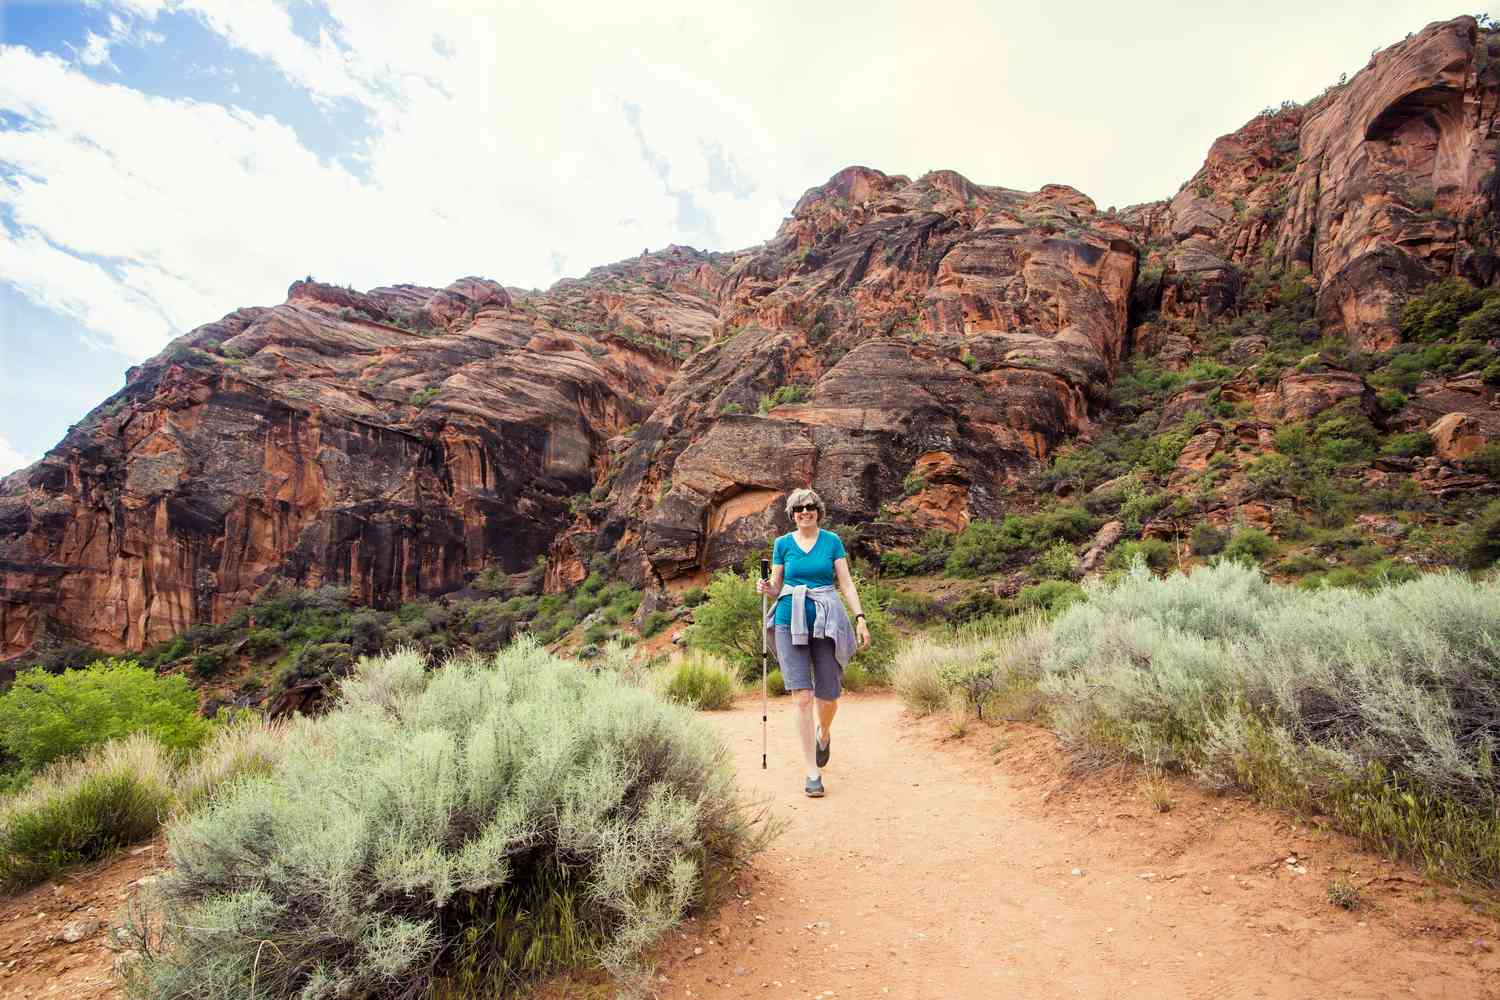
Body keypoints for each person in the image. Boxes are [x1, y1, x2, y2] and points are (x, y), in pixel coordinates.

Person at [757, 488, 870, 797]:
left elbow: (846, 583)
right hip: (788, 619)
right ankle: (812, 772)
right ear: (792, 514)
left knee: (828, 696)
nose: (804, 512)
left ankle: (824, 734)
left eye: (809, 507)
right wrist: (765, 588)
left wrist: (860, 618)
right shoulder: (782, 544)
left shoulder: (832, 541)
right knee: (803, 697)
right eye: (798, 509)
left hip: (827, 621)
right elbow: (776, 586)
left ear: (818, 510)